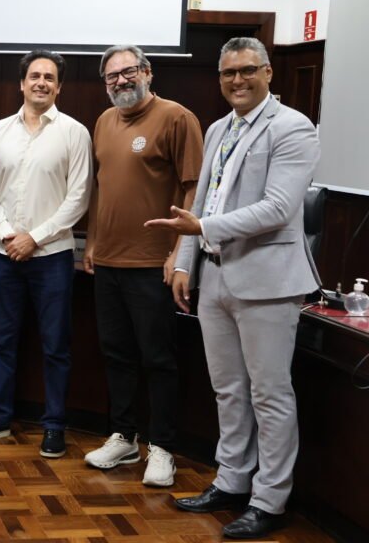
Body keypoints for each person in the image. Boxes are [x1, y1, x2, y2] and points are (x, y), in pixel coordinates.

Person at [147, 37, 320, 539]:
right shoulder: (220, 126)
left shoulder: (293, 128)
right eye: (228, 74)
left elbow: (278, 208)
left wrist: (199, 232)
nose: (237, 81)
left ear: (269, 72)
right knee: (228, 390)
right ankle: (231, 481)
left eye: (247, 71)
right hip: (216, 276)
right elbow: (198, 204)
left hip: (268, 282)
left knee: (269, 395)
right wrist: (185, 262)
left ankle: (270, 500)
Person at [83, 45, 203, 487]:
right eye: (111, 76)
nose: (120, 81)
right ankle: (125, 436)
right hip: (109, 260)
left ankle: (163, 447)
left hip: (154, 263)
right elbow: (101, 188)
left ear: (147, 72)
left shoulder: (177, 118)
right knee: (117, 355)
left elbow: (195, 190)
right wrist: (93, 241)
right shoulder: (104, 121)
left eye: (128, 72)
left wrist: (178, 253)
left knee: (158, 359)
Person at [0, 51, 91, 457]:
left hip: (51, 256)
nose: (41, 82)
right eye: (34, 76)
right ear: (21, 83)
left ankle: (54, 425)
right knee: (0, 341)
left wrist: (33, 237)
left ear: (59, 86)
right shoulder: (0, 131)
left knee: (55, 345)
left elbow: (79, 197)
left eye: (49, 77)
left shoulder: (75, 133)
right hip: (4, 254)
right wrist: (5, 233)